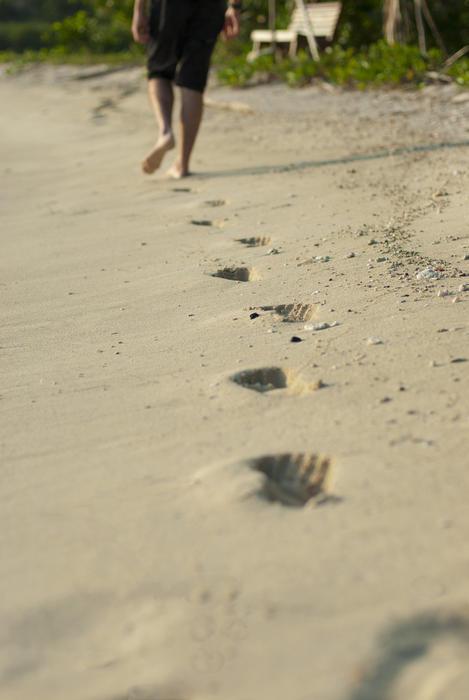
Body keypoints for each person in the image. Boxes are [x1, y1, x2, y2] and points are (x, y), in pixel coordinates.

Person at [132, 0, 242, 178]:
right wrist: (235, 8)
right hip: (210, 7)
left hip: (167, 6)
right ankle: (182, 164)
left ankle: (165, 132)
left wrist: (139, 9)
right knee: (193, 81)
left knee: (159, 72)